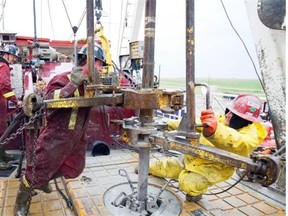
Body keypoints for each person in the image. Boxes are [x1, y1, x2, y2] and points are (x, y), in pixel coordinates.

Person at [14, 44, 107, 215]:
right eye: (99, 64)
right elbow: (49, 100)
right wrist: (72, 85)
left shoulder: (90, 86)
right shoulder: (63, 79)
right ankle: (21, 203)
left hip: (77, 138)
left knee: (75, 168)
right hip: (56, 137)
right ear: (86, 61)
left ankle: (43, 180)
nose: (101, 69)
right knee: (36, 171)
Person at [148, 94, 267, 202]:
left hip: (213, 168)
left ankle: (195, 191)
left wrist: (215, 131)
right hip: (191, 159)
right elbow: (192, 124)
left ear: (245, 120)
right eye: (228, 111)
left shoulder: (251, 137)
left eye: (234, 115)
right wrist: (163, 124)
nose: (227, 115)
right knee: (157, 167)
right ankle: (162, 171)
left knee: (188, 183)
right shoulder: (221, 120)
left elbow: (236, 141)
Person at [0, 44, 20, 170]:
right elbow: (4, 86)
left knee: (1, 131)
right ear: (7, 54)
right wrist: (16, 102)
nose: (14, 59)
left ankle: (2, 155)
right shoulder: (4, 66)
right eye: (13, 56)